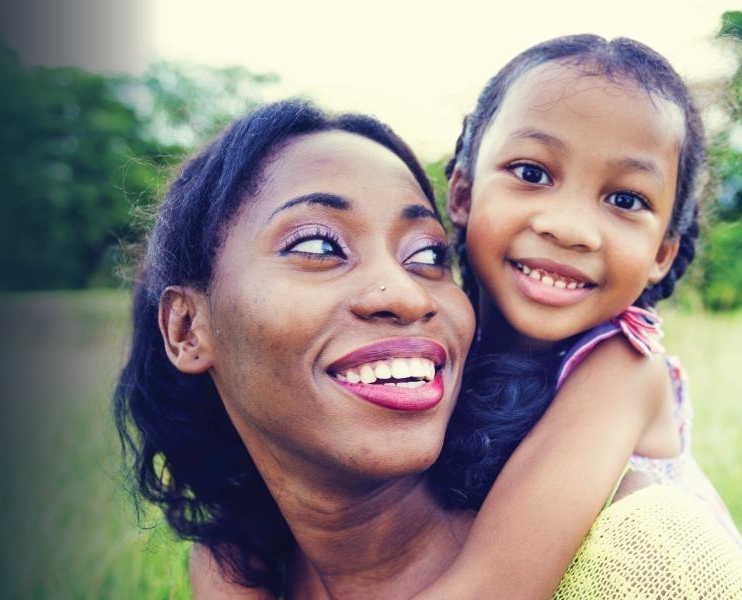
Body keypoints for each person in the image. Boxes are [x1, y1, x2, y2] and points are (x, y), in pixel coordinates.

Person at [190, 35, 742, 598]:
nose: (568, 227)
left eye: (625, 200)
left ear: (661, 253)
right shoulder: (425, 339)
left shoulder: (623, 368)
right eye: (532, 173)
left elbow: (493, 589)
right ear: (464, 194)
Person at [114, 98, 477, 599]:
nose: (407, 294)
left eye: (428, 254)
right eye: (318, 248)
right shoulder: (244, 564)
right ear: (186, 328)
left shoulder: (613, 564)